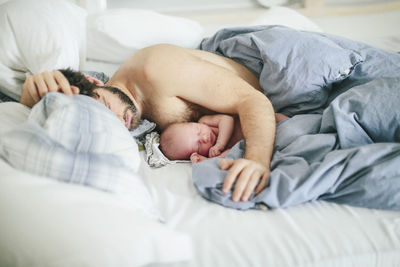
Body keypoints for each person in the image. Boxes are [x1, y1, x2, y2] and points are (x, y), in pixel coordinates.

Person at [19, 44, 277, 203]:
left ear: (96, 81)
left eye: (108, 107)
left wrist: (257, 160)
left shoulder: (157, 69)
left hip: (269, 80)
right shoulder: (128, 122)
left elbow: (252, 100)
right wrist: (31, 97)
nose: (120, 121)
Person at [160, 113, 288, 163]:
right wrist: (207, 160)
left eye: (198, 131)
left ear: (194, 123)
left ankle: (294, 123)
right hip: (263, 143)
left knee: (278, 119)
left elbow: (227, 120)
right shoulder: (213, 152)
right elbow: (231, 154)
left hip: (263, 122)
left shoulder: (205, 121)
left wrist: (220, 143)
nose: (204, 138)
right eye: (198, 145)